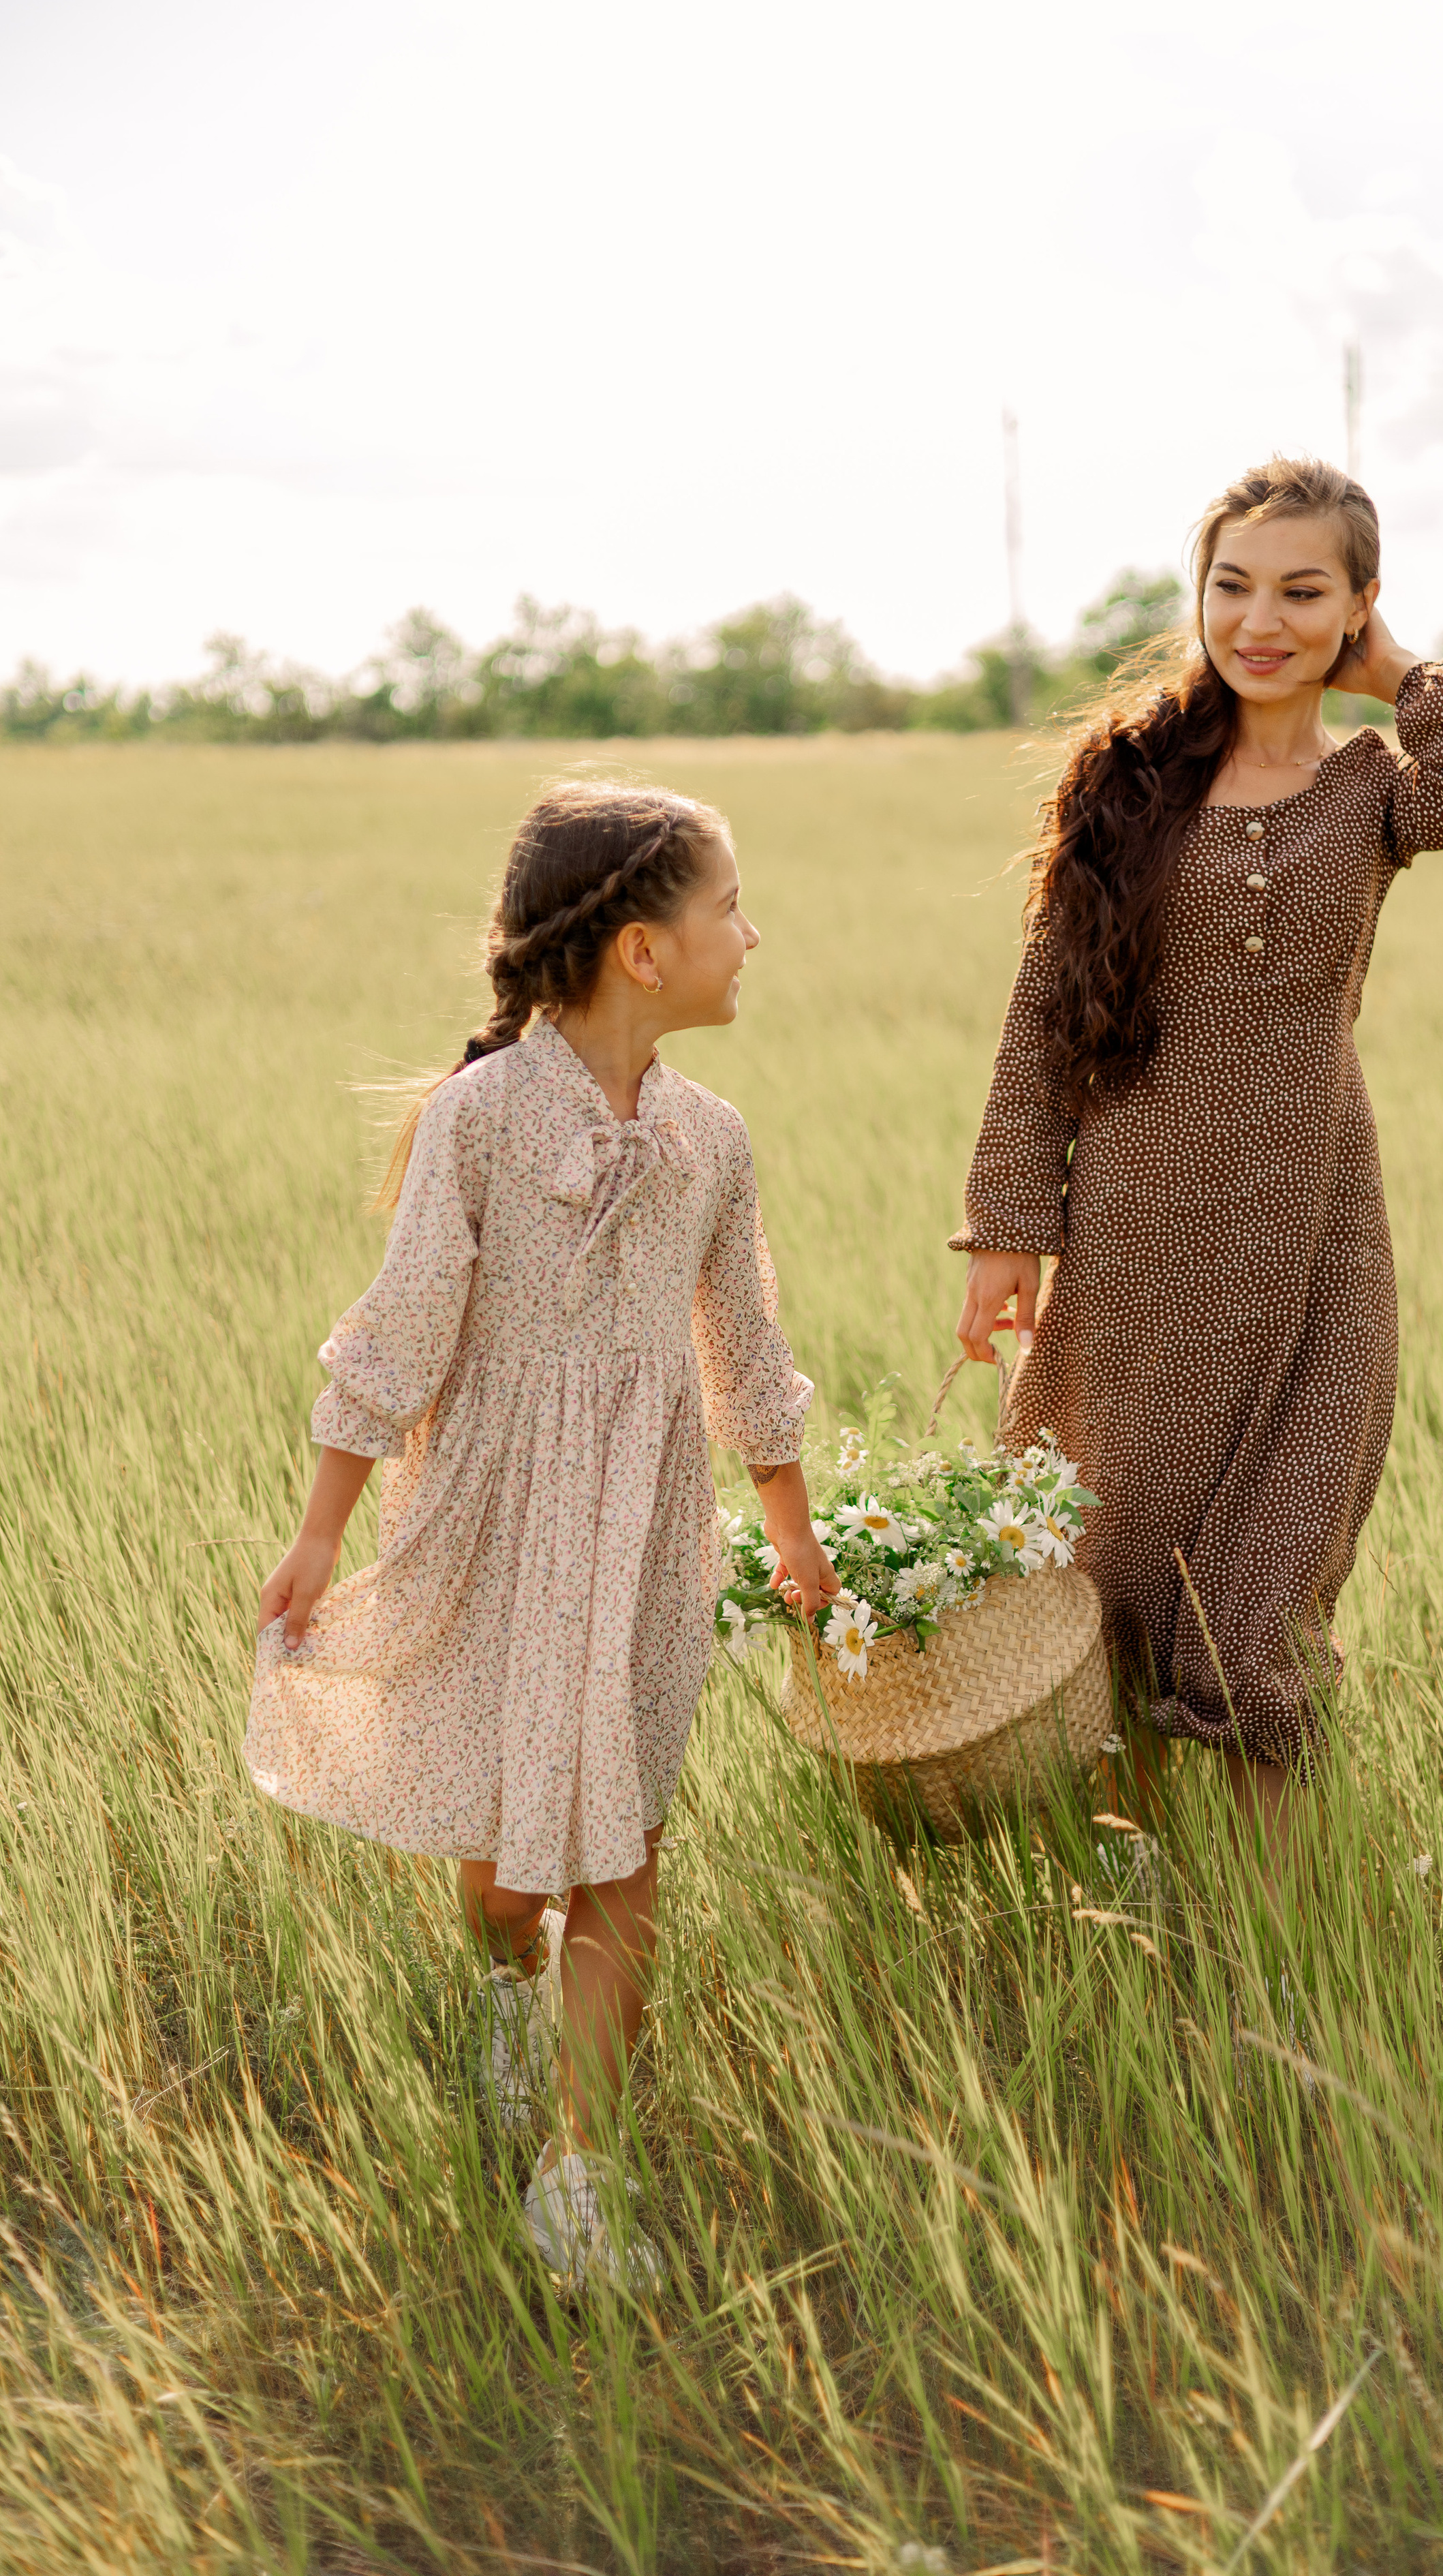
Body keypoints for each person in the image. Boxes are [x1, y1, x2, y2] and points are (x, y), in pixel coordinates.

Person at [246, 781, 837, 2287]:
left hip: (647, 1527)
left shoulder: (712, 1136)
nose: (750, 937)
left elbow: (745, 1348)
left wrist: (790, 1527)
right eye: (727, 912)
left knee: (626, 1847)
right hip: (496, 1511)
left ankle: (579, 2177)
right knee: (514, 1854)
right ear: (644, 951)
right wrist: (322, 1534)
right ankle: (509, 1995)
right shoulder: (482, 1118)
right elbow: (400, 1332)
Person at [952, 455, 1443, 1856]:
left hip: (1314, 1246)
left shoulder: (1374, 793)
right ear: (1197, 594)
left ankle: (1282, 1955)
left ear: (1354, 605)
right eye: (1231, 586)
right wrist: (1003, 1227)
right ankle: (1141, 1924)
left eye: (1300, 591)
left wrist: (1395, 672)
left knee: (1262, 1610)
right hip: (1134, 1246)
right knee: (1109, 1590)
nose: (1257, 619)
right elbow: (1042, 1012)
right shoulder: (1125, 782)